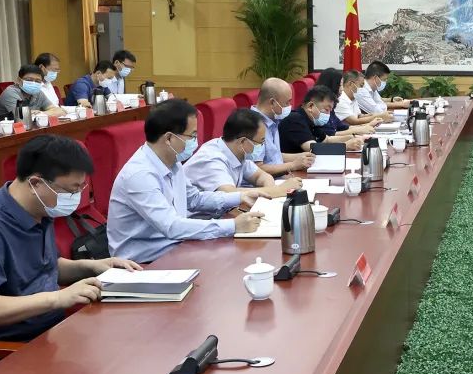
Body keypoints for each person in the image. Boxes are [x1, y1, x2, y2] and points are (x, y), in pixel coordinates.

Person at [0, 136, 141, 374]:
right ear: (36, 183)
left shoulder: (40, 209)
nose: (76, 198)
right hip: (4, 354)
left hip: (52, 334)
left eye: (80, 189)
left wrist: (92, 267)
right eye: (70, 190)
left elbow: (46, 267)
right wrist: (57, 298)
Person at [106, 99, 264, 263]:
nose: (196, 141)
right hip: (144, 263)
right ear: (169, 138)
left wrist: (240, 197)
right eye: (192, 136)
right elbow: (172, 226)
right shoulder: (140, 175)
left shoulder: (173, 162)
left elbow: (194, 199)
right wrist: (233, 226)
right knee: (231, 259)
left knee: (239, 254)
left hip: (175, 246)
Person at [185, 109, 301, 198]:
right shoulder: (211, 159)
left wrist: (272, 191)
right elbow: (229, 194)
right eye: (261, 142)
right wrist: (277, 191)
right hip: (199, 219)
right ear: (243, 141)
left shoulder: (237, 151)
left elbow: (261, 176)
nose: (262, 146)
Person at [249, 78, 316, 177]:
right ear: (272, 102)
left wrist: (300, 157)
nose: (289, 107)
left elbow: (272, 157)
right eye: (287, 103)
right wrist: (293, 165)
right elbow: (256, 168)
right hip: (264, 183)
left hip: (279, 178)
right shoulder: (252, 125)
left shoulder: (273, 120)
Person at [280, 86, 373, 153]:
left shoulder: (312, 120)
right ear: (310, 106)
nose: (328, 115)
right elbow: (313, 149)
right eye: (326, 109)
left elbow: (327, 139)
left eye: (330, 111)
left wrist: (353, 137)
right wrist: (345, 146)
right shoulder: (295, 119)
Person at [0, 65, 66, 122]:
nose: (33, 83)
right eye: (29, 80)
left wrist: (41, 114)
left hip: (27, 128)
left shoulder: (38, 93)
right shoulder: (11, 92)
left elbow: (60, 111)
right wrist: (47, 113)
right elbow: (22, 117)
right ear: (19, 80)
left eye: (37, 81)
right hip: (2, 132)